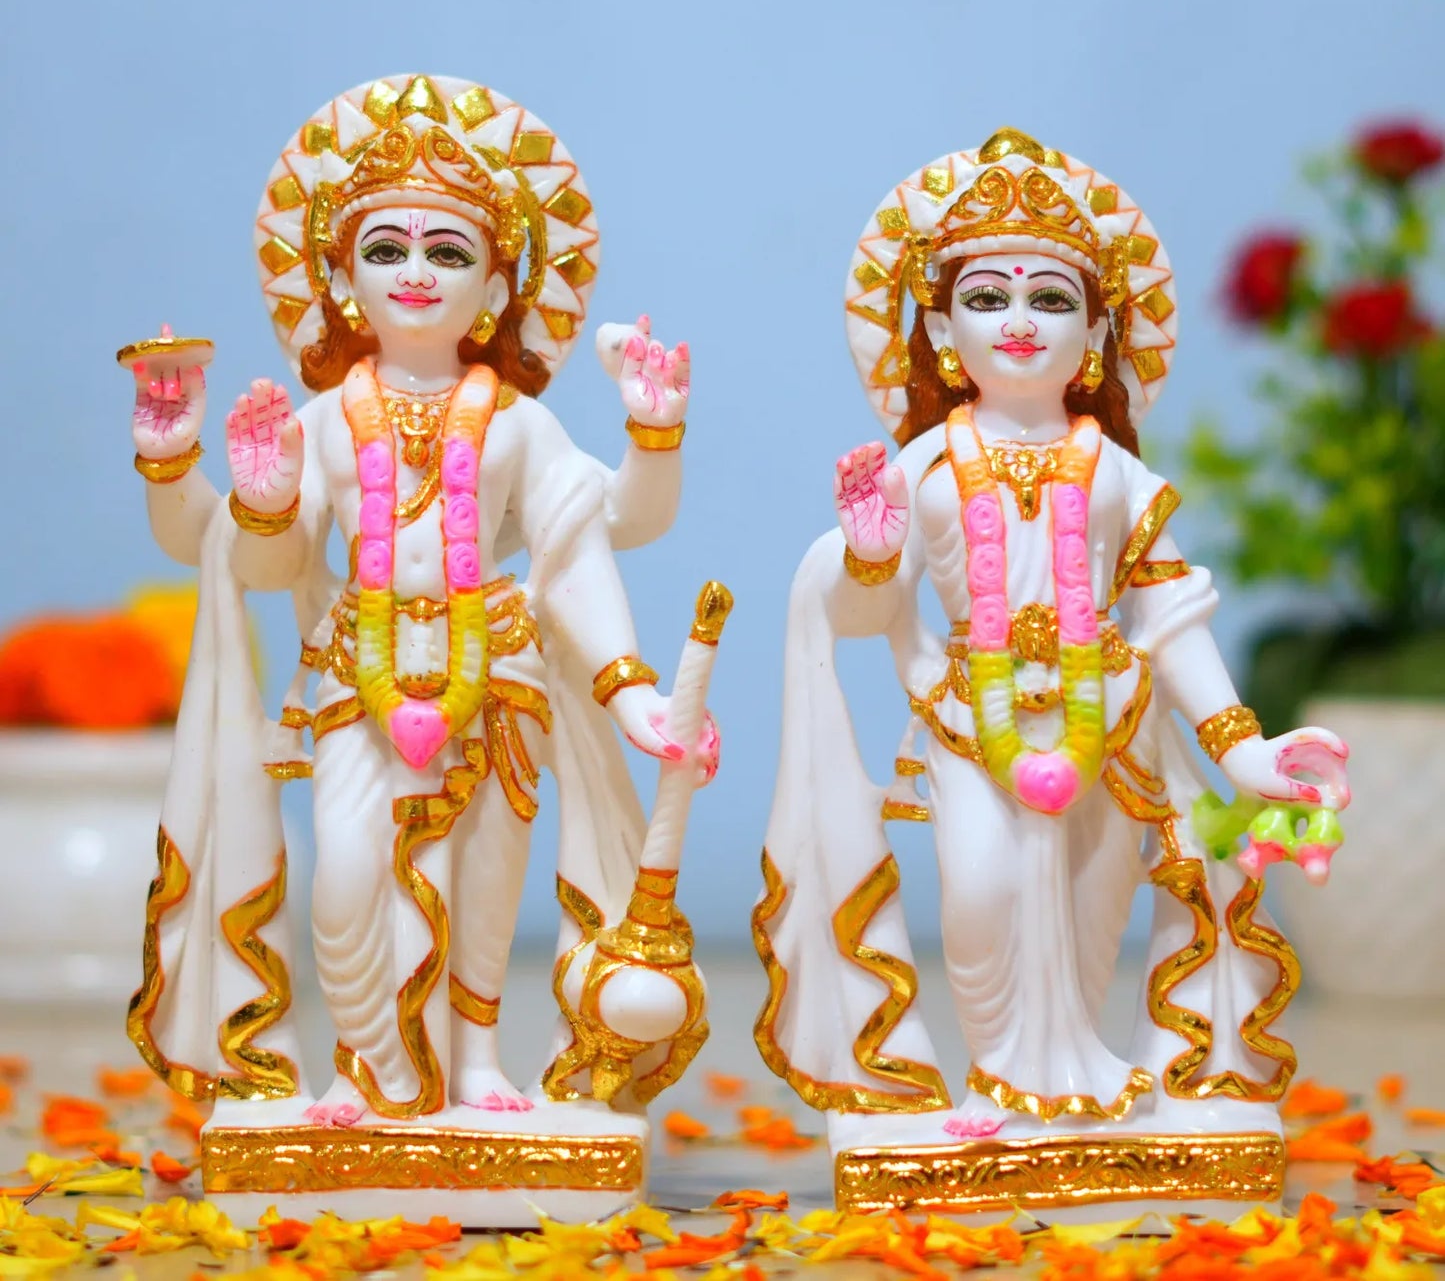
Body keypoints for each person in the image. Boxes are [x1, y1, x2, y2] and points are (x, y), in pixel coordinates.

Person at [125, 75, 716, 1127]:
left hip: (495, 680)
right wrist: (213, 483)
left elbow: (592, 538)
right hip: (359, 676)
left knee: (487, 881)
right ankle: (369, 1069)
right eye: (385, 247)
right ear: (342, 276)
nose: (414, 271)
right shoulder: (321, 415)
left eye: (447, 252)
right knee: (349, 873)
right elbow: (250, 562)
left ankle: (477, 1062)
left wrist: (629, 685)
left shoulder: (519, 424)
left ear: (493, 289)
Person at [756, 128, 1349, 1158]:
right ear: (939, 329)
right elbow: (861, 613)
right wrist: (864, 557)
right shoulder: (925, 465)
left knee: (1087, 914)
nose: (1019, 322)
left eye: (1050, 299)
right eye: (986, 299)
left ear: (1095, 333)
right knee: (981, 895)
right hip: (968, 722)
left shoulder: (1116, 474)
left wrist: (1242, 748)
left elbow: (1168, 619)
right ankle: (999, 1074)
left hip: (1107, 730)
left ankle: (1076, 1071)